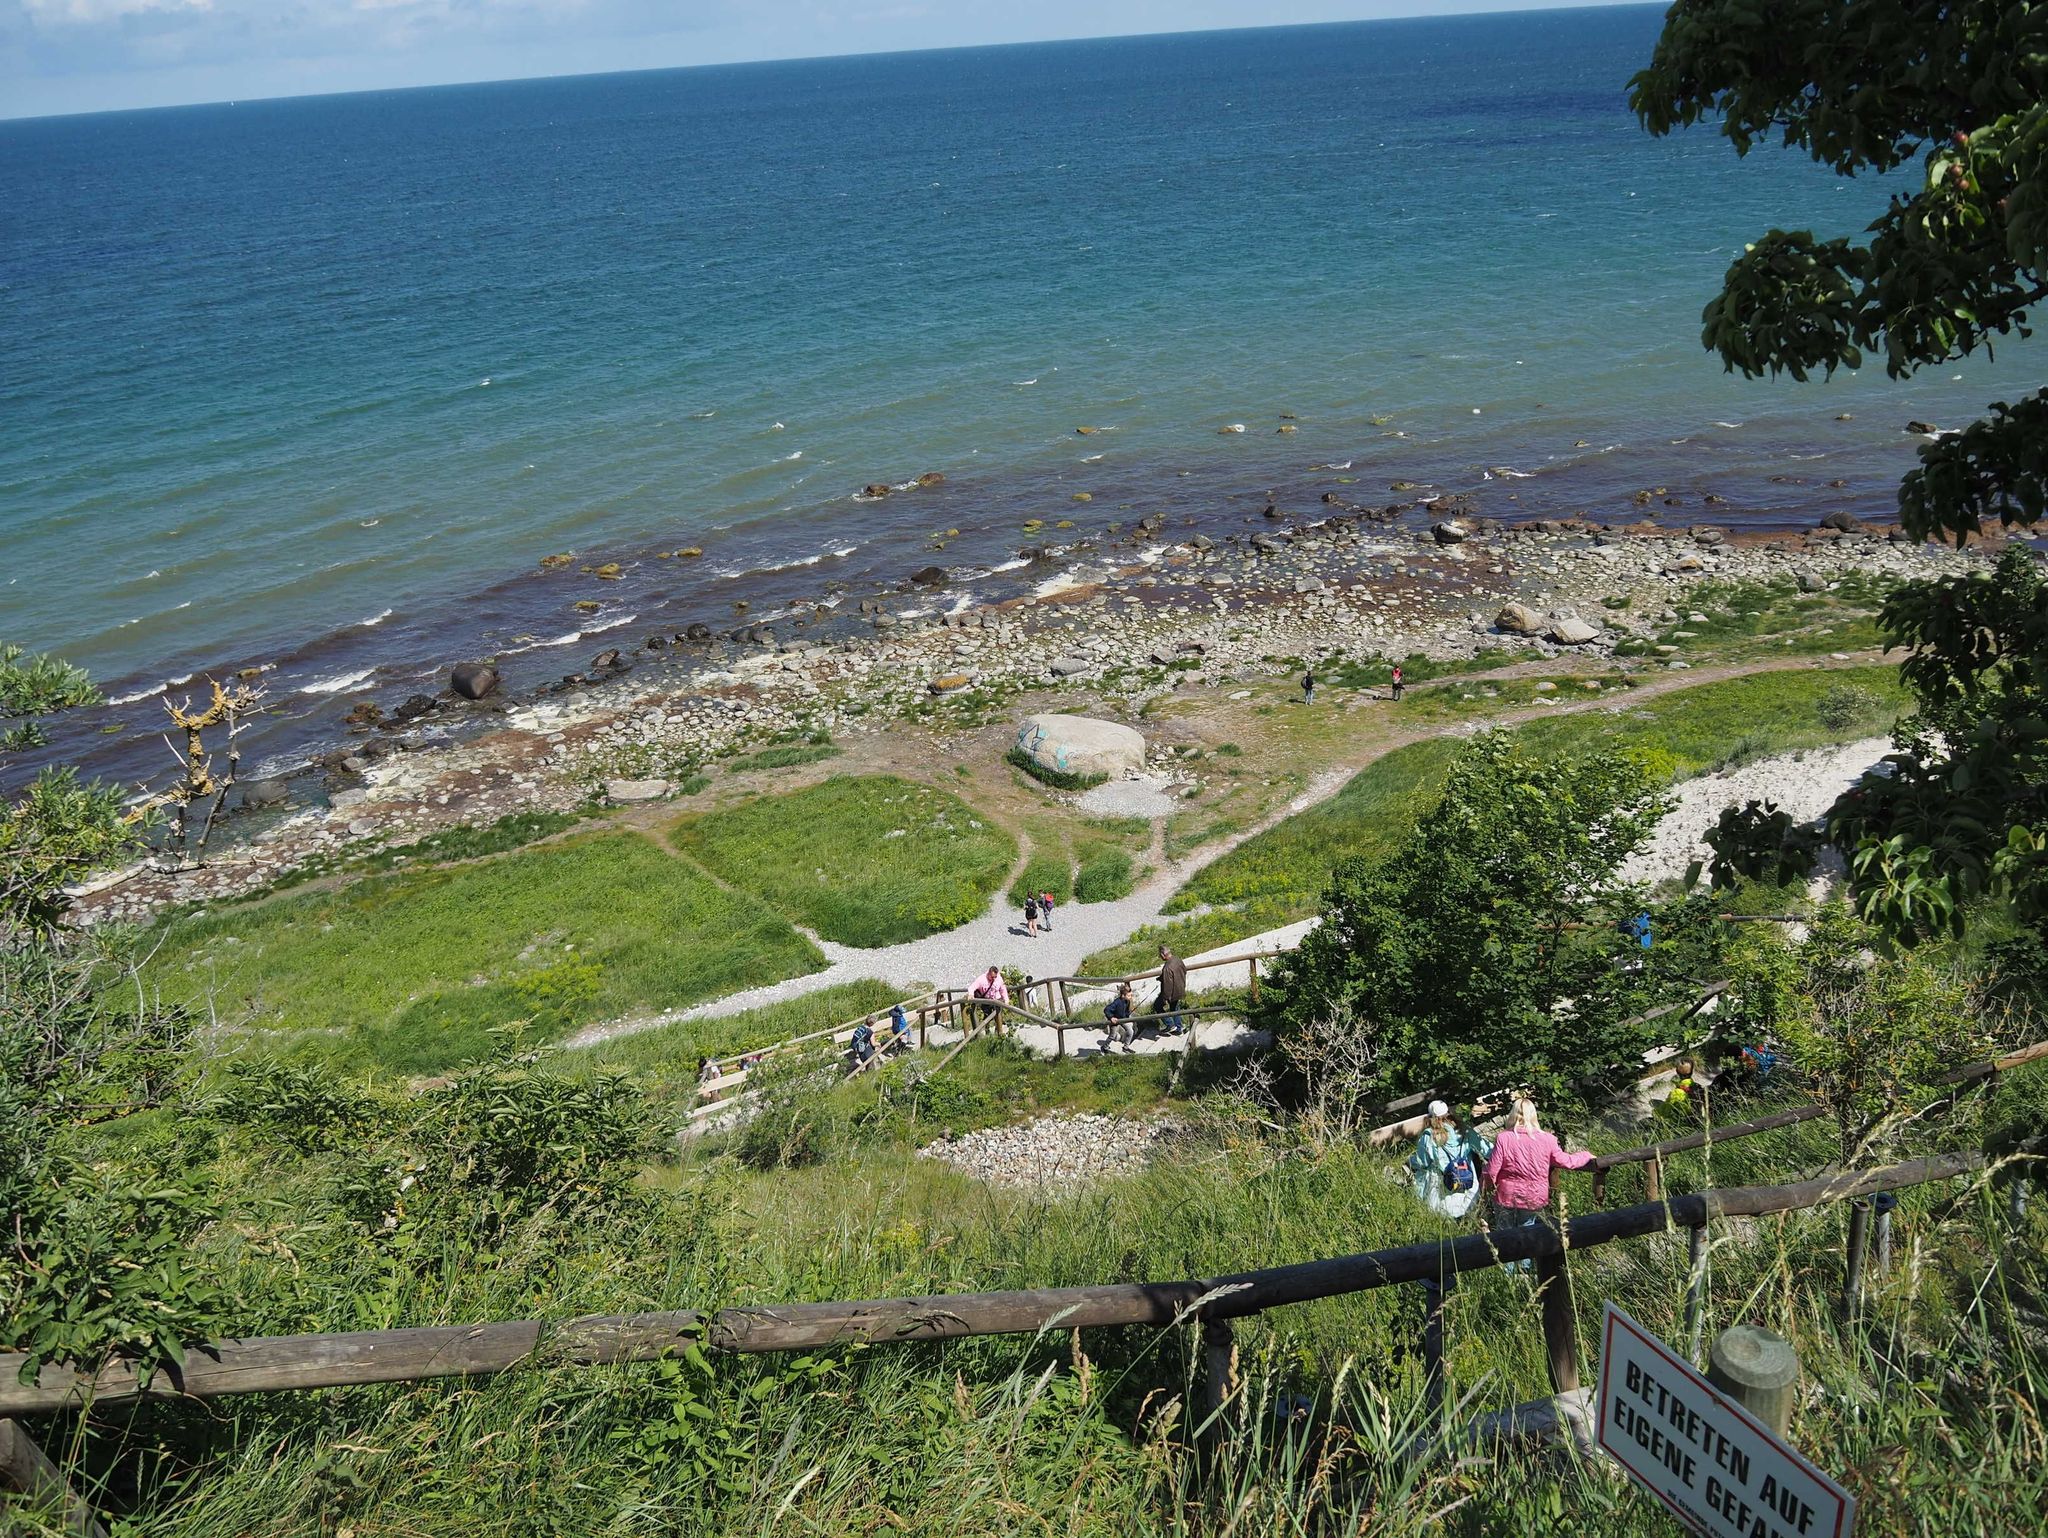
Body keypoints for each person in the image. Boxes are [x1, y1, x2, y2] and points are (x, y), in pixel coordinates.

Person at [1484, 1098, 1595, 1270]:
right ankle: (1524, 1272)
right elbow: (1566, 1161)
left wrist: (1489, 1188)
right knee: (1527, 1233)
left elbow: (1491, 1171)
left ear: (1513, 1114)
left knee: (1504, 1235)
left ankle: (1508, 1274)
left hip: (1506, 1195)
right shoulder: (1547, 1139)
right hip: (1533, 1196)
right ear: (1534, 1115)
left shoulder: (1503, 1138)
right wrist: (1586, 1155)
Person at [1407, 1100, 1493, 1220]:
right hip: (1466, 1179)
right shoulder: (1464, 1131)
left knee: (1443, 1217)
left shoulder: (1429, 1136)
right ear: (1448, 1113)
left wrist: (1410, 1161)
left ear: (1431, 1117)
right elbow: (1487, 1150)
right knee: (1468, 1215)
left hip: (1441, 1186)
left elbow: (1423, 1162)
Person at [1154, 944, 1188, 1036]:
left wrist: (1165, 998)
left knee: (1157, 1006)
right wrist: (1162, 978)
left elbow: (1168, 986)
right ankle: (1180, 1026)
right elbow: (1184, 971)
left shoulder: (1167, 967)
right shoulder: (1178, 959)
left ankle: (1170, 1024)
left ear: (1162, 954)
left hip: (1172, 992)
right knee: (1174, 1008)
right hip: (1180, 988)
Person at [969, 965, 1009, 1029]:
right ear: (989, 973)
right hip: (986, 999)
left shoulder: (999, 979)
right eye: (992, 977)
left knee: (998, 1014)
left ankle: (998, 1030)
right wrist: (971, 994)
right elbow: (972, 986)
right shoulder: (981, 979)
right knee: (987, 1015)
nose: (993, 979)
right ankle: (986, 1029)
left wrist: (1006, 999)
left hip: (996, 998)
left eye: (995, 977)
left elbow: (1003, 989)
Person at [1102, 982, 1136, 1051]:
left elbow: (1126, 1011)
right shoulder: (1116, 1002)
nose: (1130, 997)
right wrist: (1111, 1017)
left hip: (1122, 1019)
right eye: (1129, 996)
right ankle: (1105, 1047)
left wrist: (1127, 1014)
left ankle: (1125, 1047)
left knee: (1130, 1031)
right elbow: (1106, 1009)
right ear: (1123, 995)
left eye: (1131, 995)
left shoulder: (1127, 1001)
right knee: (1112, 1035)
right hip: (1115, 1020)